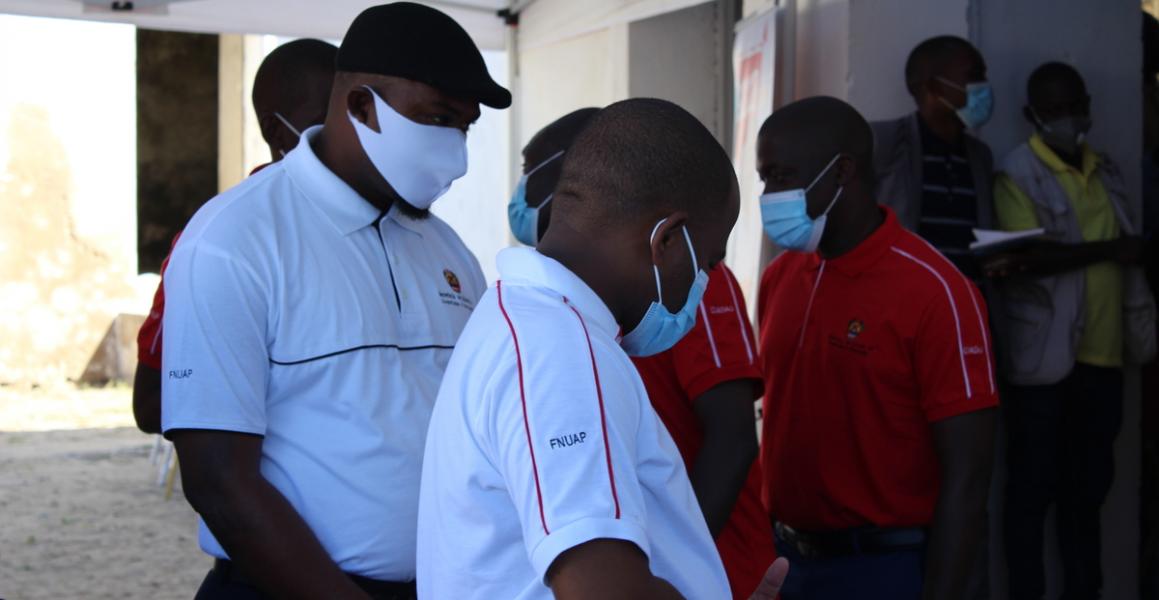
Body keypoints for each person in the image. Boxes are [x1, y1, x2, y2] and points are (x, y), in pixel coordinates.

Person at [160, 4, 510, 599]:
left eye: (466, 127)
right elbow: (218, 478)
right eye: (437, 118)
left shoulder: (447, 251)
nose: (456, 153)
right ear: (361, 106)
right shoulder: (235, 241)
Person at [417, 98, 788, 599]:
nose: (703, 285)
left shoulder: (530, 320)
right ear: (667, 240)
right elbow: (603, 591)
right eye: (708, 262)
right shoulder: (558, 350)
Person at [757, 96, 997, 600]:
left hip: (881, 569)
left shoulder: (937, 292)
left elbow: (969, 474)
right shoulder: (781, 277)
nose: (768, 194)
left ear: (842, 171)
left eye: (781, 176)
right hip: (783, 560)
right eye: (765, 178)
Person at [988, 61, 1154, 600]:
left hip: (1103, 360)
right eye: (1052, 110)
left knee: (1087, 499)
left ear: (1087, 105)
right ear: (1031, 115)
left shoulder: (1105, 170)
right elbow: (1023, 257)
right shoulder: (1016, 173)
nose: (1066, 118)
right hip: (1044, 364)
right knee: (1031, 497)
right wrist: (1111, 250)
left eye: (1072, 106)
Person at [132, 38, 338, 434]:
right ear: (278, 132)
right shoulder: (217, 241)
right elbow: (150, 404)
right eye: (328, 118)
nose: (354, 133)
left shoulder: (406, 232)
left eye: (360, 112)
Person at [872, 35, 996, 282]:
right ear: (934, 87)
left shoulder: (980, 156)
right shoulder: (883, 143)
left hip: (965, 304)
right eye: (974, 76)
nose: (984, 86)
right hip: (905, 302)